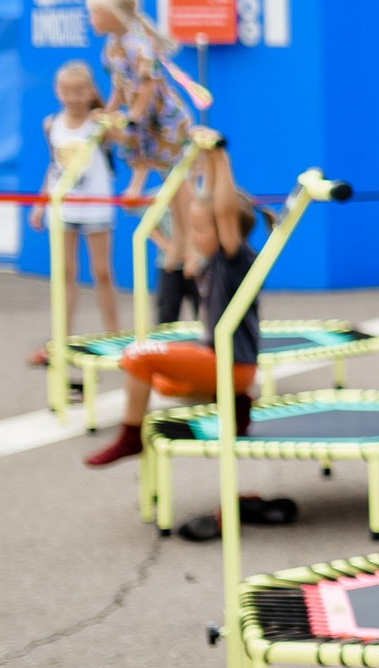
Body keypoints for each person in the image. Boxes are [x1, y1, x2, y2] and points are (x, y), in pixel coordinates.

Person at [82, 138, 261, 471]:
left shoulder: (233, 259)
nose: (192, 236)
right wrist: (197, 157)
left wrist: (221, 157)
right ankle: (238, 405)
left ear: (225, 233)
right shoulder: (212, 258)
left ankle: (130, 436)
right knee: (162, 381)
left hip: (232, 365)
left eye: (199, 230)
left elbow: (222, 210)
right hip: (224, 363)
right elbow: (198, 200)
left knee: (138, 358)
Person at [27, 61, 120, 363]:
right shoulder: (51, 124)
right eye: (67, 91)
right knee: (65, 274)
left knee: (102, 272)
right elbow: (54, 169)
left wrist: (111, 119)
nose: (73, 97)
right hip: (63, 206)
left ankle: (114, 336)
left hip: (96, 205)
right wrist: (41, 203)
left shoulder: (100, 125)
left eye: (80, 90)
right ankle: (61, 340)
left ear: (90, 90)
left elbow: (126, 139)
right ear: (57, 91)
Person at [85, 0, 193, 203]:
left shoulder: (137, 44)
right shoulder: (111, 45)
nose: (91, 19)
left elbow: (147, 83)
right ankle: (139, 188)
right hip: (140, 114)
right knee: (130, 140)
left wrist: (134, 114)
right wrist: (110, 111)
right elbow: (119, 82)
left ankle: (185, 225)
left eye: (95, 13)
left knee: (174, 174)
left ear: (113, 16)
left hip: (161, 115)